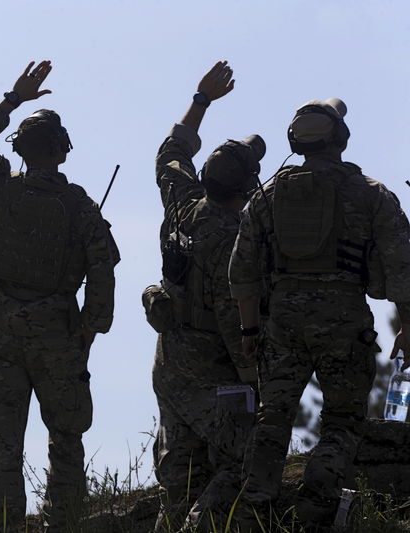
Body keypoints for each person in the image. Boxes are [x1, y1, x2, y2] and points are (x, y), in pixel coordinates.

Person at [0, 60, 120, 532]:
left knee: (3, 449)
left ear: (20, 150)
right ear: (62, 153)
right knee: (65, 438)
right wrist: (92, 327)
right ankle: (63, 525)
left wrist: (12, 99)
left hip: (1, 330)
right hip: (59, 333)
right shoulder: (82, 208)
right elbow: (103, 270)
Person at [229, 97, 410, 531]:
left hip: (281, 323)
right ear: (341, 139)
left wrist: (250, 327)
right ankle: (314, 511)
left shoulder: (266, 196)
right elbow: (402, 264)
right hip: (344, 317)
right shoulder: (370, 192)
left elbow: (242, 271)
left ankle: (253, 512)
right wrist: (408, 327)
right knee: (343, 421)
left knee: (272, 418)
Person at [144, 61, 264, 531]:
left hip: (170, 362)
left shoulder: (181, 203)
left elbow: (171, 151)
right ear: (248, 187)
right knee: (249, 459)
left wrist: (201, 101)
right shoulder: (237, 240)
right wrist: (258, 384)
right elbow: (238, 326)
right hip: (215, 377)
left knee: (178, 479)